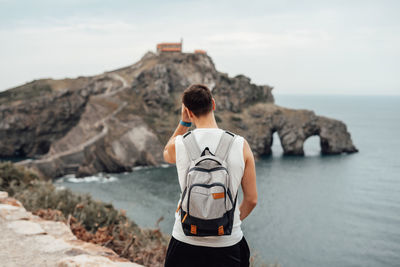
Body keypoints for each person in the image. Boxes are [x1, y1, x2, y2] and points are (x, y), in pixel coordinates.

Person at [163, 84, 258, 267]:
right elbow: (252, 200)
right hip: (228, 243)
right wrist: (227, 221)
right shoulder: (240, 144)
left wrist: (183, 123)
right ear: (213, 104)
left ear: (188, 112)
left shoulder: (180, 144)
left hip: (185, 240)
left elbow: (166, 152)